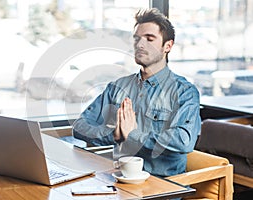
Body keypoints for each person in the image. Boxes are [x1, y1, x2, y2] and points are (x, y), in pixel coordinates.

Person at [72, 8, 201, 177]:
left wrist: (132, 135)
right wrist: (115, 135)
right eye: (137, 38)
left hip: (163, 185)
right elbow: (79, 126)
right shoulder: (117, 87)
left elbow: (183, 141)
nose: (140, 44)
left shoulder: (185, 92)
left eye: (150, 39)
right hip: (118, 179)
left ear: (167, 46)